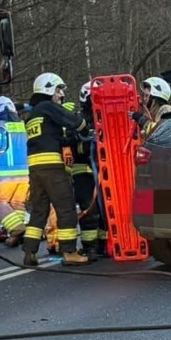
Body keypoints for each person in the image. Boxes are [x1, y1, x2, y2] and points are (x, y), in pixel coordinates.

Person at [21, 72, 89, 267]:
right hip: (52, 167)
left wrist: (68, 140)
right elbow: (74, 121)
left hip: (35, 170)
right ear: (48, 89)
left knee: (39, 211)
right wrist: (83, 127)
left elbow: (51, 139)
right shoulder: (48, 107)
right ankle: (69, 252)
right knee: (66, 207)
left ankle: (29, 252)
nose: (60, 95)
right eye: (58, 90)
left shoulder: (32, 116)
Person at [66, 89, 103, 260]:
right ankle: (90, 248)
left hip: (103, 170)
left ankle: (104, 244)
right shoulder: (79, 119)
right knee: (89, 209)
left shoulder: (102, 116)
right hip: (84, 171)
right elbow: (73, 144)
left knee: (105, 211)